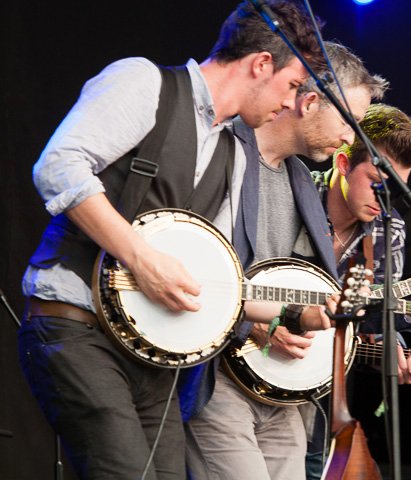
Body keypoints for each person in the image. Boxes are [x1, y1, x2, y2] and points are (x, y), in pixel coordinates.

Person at [17, 2, 327, 478]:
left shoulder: (232, 152)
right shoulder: (144, 83)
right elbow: (58, 167)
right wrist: (140, 257)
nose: (290, 103)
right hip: (76, 330)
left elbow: (213, 283)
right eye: (291, 85)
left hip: (153, 359)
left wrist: (301, 311)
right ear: (260, 64)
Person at [182, 42, 388, 480]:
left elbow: (299, 282)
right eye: (349, 122)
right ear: (310, 101)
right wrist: (256, 321)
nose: (352, 138)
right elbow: (187, 261)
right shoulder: (223, 152)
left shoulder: (302, 181)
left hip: (281, 393)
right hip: (219, 380)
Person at [304, 103, 411, 478]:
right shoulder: (297, 197)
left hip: (325, 398)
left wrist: (409, 312)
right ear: (343, 164)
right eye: (378, 183)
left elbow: (373, 322)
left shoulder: (388, 228)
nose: (385, 200)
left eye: (398, 189)